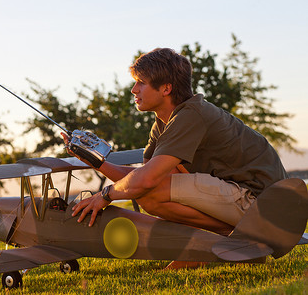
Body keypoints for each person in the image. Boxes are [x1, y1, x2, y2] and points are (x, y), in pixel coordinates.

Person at [61, 47, 288, 269]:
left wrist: (106, 195)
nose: (133, 90)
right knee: (149, 188)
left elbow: (145, 183)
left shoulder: (190, 116)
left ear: (166, 89)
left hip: (264, 205)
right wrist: (97, 162)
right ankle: (221, 245)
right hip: (247, 199)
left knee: (149, 194)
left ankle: (236, 241)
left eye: (141, 82)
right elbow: (143, 177)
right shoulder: (164, 123)